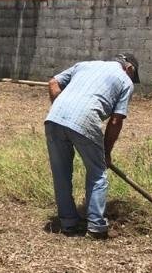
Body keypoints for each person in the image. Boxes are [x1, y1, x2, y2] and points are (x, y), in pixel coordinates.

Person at [44, 53, 140, 237]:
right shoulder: (125, 81)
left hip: (54, 118)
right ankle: (96, 226)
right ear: (129, 69)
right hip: (84, 120)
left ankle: (68, 223)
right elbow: (115, 121)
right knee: (97, 172)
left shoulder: (84, 65)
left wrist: (63, 109)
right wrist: (106, 153)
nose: (132, 81)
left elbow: (53, 83)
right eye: (133, 77)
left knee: (61, 173)